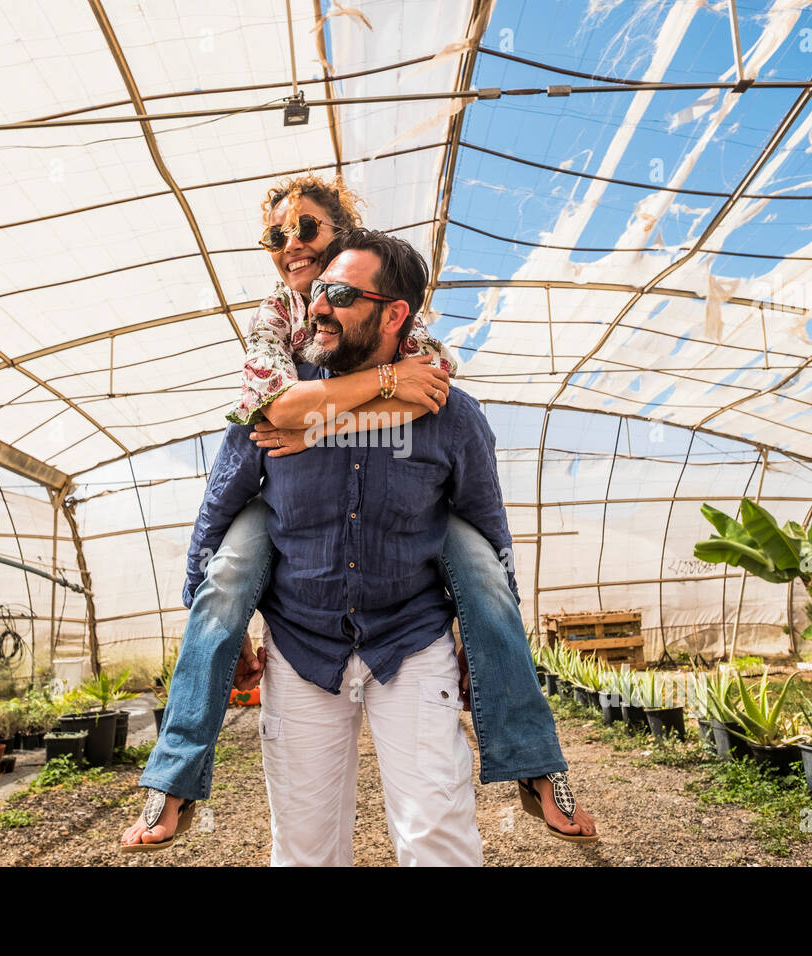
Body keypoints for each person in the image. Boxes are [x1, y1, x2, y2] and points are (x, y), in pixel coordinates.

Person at [120, 178, 596, 852]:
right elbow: (220, 507)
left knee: (438, 832)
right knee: (228, 571)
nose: (296, 255)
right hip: (303, 642)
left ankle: (537, 764)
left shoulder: (439, 396)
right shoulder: (275, 351)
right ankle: (171, 780)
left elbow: (489, 534)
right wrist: (226, 639)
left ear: (391, 307)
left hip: (410, 639)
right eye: (277, 238)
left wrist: (483, 648)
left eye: (311, 238)